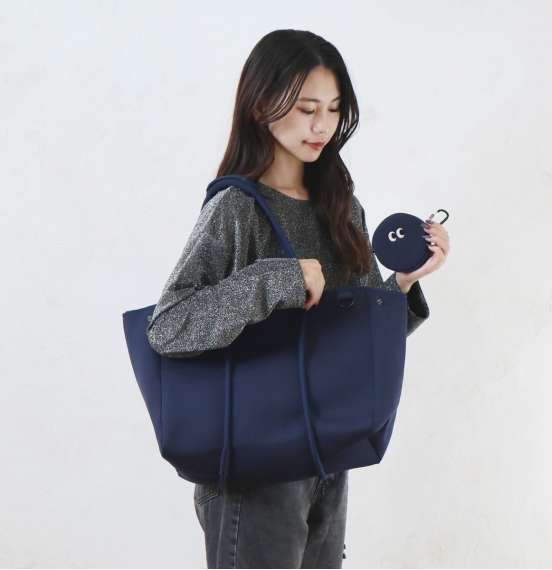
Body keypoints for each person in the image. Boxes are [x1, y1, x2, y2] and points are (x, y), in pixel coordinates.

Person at [146, 29, 450, 569]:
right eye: (307, 109)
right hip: (254, 464)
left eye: (333, 110)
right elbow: (169, 325)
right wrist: (276, 279)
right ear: (261, 105)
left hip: (327, 454)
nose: (322, 126)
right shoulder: (236, 207)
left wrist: (403, 282)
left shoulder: (341, 207)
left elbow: (355, 346)